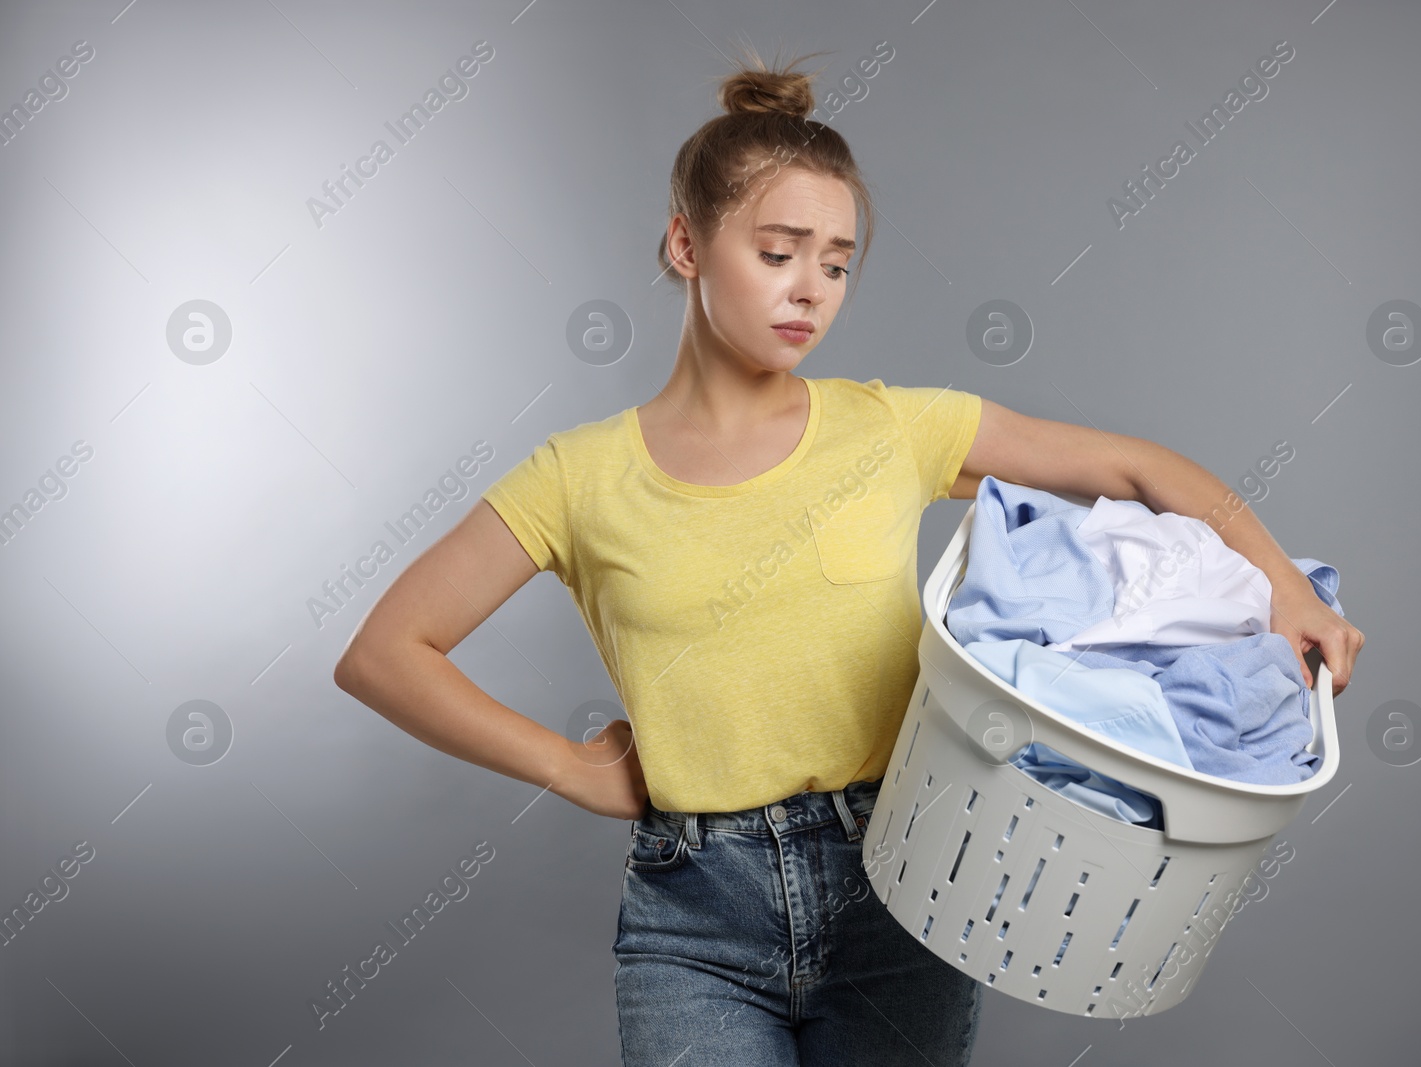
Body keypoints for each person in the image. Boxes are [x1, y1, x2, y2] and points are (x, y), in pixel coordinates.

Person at [333, 45, 1364, 1067]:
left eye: (835, 261)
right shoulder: (577, 475)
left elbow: (1133, 469)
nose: (810, 289)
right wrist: (564, 765)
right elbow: (385, 651)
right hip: (693, 918)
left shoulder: (889, 429)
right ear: (685, 245)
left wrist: (1283, 588)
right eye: (778, 251)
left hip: (903, 887)